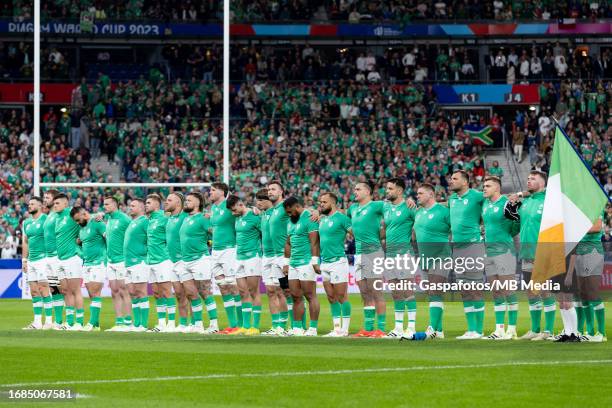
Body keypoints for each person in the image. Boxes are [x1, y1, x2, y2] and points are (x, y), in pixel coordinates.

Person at [506, 171, 556, 340]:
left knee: (545, 291)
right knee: (531, 292)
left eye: (533, 179)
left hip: (543, 252)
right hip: (526, 252)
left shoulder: (550, 200)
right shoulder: (526, 203)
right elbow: (517, 224)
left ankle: (548, 331)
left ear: (543, 183)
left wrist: (519, 193)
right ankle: (535, 329)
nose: (528, 181)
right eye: (527, 178)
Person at [448, 171, 486, 340]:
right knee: (464, 289)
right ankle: (470, 329)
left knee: (475, 288)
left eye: (455, 179)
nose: (451, 181)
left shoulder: (477, 196)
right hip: (457, 248)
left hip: (473, 246)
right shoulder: (452, 200)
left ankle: (479, 330)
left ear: (465, 182)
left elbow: (494, 201)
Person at [481, 177, 519, 340]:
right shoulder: (485, 204)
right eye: (483, 186)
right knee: (496, 291)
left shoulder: (506, 203)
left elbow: (517, 224)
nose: (484, 188)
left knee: (508, 290)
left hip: (504, 251)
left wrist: (505, 236)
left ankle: (512, 329)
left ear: (497, 188)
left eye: (488, 186)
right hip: (489, 252)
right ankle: (499, 330)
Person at [412, 183, 451, 340]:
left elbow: (455, 227)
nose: (418, 196)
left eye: (421, 193)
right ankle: (439, 330)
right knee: (433, 293)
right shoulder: (418, 213)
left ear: (430, 194)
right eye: (417, 193)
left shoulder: (443, 211)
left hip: (441, 256)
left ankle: (431, 329)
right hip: (424, 258)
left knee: (435, 291)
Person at [347, 181, 386, 338]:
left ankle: (381, 330)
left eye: (358, 189)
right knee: (365, 293)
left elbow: (396, 209)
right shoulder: (352, 209)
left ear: (368, 192)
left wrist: (382, 234)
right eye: (354, 188)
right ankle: (368, 329)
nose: (354, 191)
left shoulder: (377, 205)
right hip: (359, 255)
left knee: (377, 292)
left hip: (374, 253)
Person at [382, 178, 418, 339]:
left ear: (400, 191)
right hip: (389, 255)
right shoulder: (385, 207)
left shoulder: (409, 207)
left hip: (404, 254)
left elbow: (421, 221)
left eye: (390, 189)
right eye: (387, 189)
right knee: (396, 293)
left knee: (407, 292)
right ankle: (397, 328)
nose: (387, 191)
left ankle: (411, 327)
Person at [179, 192, 217, 334]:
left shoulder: (203, 218)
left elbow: (214, 233)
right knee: (191, 294)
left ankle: (214, 325)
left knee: (205, 292)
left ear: (198, 203)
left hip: (200, 259)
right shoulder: (186, 219)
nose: (186, 202)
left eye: (189, 200)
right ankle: (198, 325)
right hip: (185, 261)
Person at [283, 196, 321, 336]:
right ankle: (297, 328)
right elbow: (288, 243)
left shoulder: (309, 218)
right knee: (295, 296)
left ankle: (313, 328)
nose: (289, 214)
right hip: (293, 263)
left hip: (306, 262)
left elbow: (314, 242)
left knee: (310, 295)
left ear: (297, 207)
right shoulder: (290, 222)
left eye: (290, 211)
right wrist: (286, 263)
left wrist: (315, 261)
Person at [227, 195, 263, 336]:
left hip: (252, 257)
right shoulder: (238, 218)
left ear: (241, 204)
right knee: (242, 292)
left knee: (254, 291)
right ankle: (246, 326)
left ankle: (255, 326)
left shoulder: (255, 217)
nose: (232, 212)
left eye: (233, 209)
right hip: (239, 257)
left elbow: (264, 233)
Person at [318, 192, 352, 337]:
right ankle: (337, 328)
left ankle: (345, 329)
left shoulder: (342, 219)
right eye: (320, 202)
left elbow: (354, 233)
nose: (321, 205)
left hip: (338, 261)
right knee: (331, 297)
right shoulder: (322, 220)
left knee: (341, 296)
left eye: (324, 202)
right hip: (324, 262)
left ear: (332, 203)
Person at [209, 182, 241, 334]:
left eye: (213, 190)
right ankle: (232, 324)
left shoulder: (229, 205)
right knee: (222, 285)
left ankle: (241, 325)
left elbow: (244, 209)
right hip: (215, 251)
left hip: (229, 249)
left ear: (222, 192)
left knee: (233, 284)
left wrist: (254, 210)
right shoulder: (213, 208)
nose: (210, 192)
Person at [256, 189, 287, 336]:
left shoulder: (280, 211)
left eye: (261, 200)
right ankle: (275, 326)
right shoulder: (262, 215)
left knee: (282, 291)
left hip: (279, 254)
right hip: (266, 256)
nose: (258, 203)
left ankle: (284, 325)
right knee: (270, 291)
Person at [71, 207, 106, 332]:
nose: (77, 223)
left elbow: (109, 238)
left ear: (84, 214)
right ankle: (96, 325)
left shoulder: (98, 223)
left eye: (77, 220)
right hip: (86, 264)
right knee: (91, 294)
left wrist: (108, 256)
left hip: (99, 262)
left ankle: (91, 323)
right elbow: (81, 243)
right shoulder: (82, 229)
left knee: (95, 292)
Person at [101, 196, 133, 331]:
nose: (104, 206)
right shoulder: (109, 219)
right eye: (104, 204)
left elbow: (134, 235)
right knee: (114, 291)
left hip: (122, 260)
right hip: (111, 260)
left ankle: (128, 322)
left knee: (124, 290)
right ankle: (119, 321)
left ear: (115, 205)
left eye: (107, 204)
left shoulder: (124, 219)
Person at [53, 193, 84, 331]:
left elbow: (87, 220)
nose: (54, 205)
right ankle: (69, 322)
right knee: (65, 291)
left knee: (75, 290)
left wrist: (98, 217)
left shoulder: (72, 214)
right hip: (60, 259)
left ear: (66, 204)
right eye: (54, 203)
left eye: (57, 203)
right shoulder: (58, 218)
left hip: (72, 258)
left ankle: (80, 322)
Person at [144, 194, 175, 332]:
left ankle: (172, 323)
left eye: (149, 203)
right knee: (156, 293)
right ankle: (162, 323)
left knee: (167, 291)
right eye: (145, 202)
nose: (146, 205)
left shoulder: (164, 218)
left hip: (163, 260)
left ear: (157, 205)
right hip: (151, 261)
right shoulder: (149, 220)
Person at [21, 197, 53, 330]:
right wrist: (24, 260)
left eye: (32, 204)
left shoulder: (46, 219)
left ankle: (49, 321)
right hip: (32, 261)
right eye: (29, 204)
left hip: (44, 259)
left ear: (40, 206)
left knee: (44, 288)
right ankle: (37, 322)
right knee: (34, 291)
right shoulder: (26, 222)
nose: (29, 206)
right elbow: (25, 242)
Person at [164, 193, 189, 332]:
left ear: (178, 202)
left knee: (191, 293)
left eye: (169, 200)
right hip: (172, 261)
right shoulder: (169, 218)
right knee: (179, 294)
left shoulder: (185, 216)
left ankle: (195, 323)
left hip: (185, 260)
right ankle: (184, 323)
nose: (166, 202)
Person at [124, 198, 149, 332]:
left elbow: (151, 238)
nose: (130, 207)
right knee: (132, 293)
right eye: (130, 205)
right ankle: (137, 323)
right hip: (128, 263)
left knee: (141, 292)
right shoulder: (132, 222)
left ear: (141, 208)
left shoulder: (145, 221)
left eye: (133, 205)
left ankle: (143, 325)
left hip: (139, 262)